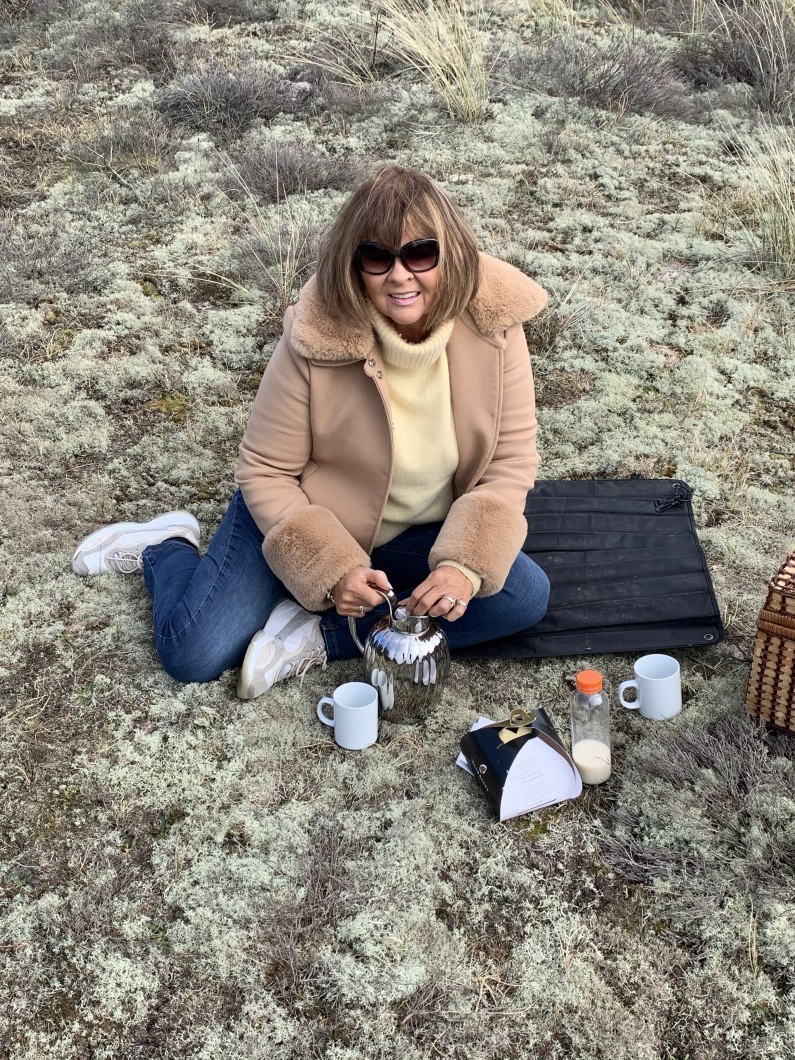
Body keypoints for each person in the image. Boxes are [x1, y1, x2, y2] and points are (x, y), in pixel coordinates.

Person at [72, 166, 551, 699]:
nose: (399, 276)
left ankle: (317, 635)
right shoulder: (316, 335)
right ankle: (165, 547)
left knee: (521, 596)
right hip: (304, 516)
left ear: (451, 253)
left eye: (420, 253)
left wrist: (462, 566)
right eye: (377, 257)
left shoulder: (495, 325)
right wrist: (331, 567)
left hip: (418, 529)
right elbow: (264, 470)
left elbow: (509, 463)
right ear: (354, 263)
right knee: (193, 652)